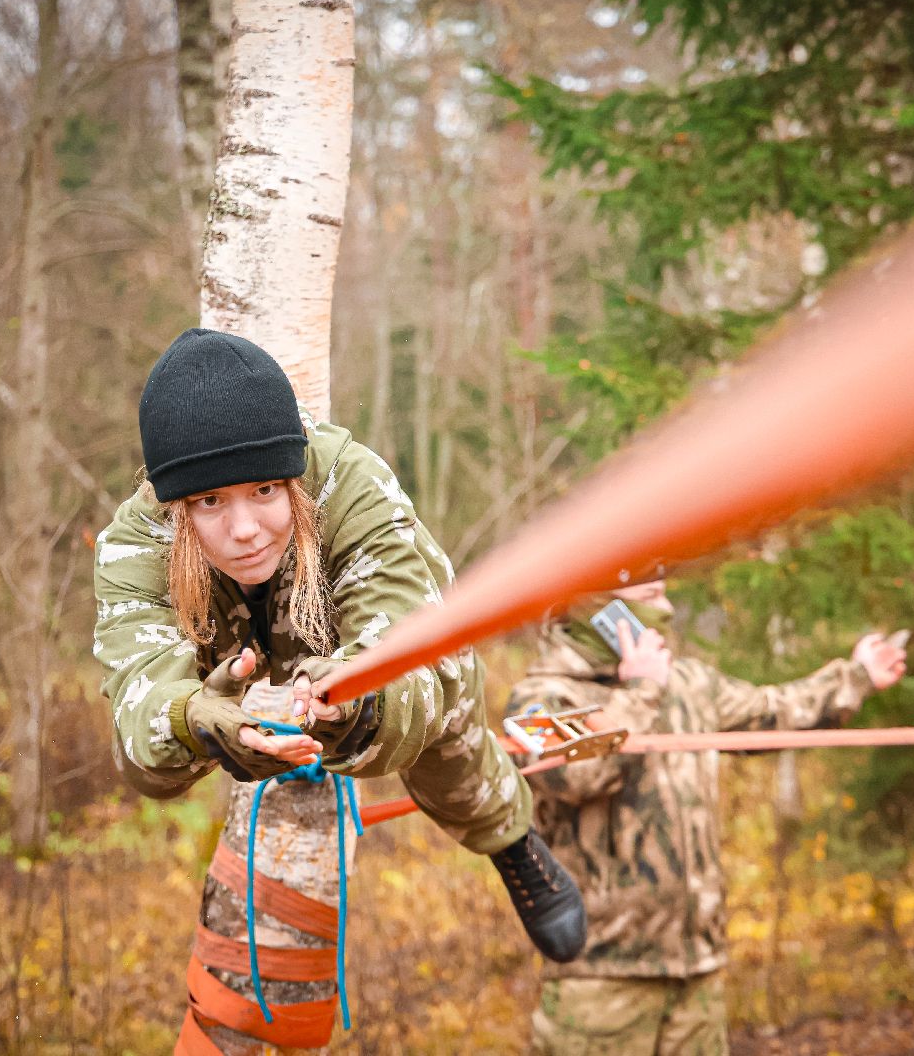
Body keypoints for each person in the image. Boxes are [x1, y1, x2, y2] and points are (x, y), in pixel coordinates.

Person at [93, 327, 586, 962]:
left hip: (344, 634)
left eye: (265, 491)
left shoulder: (351, 484)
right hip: (222, 649)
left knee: (446, 698)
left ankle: (509, 837)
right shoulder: (136, 544)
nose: (244, 530)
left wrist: (359, 698)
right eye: (210, 502)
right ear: (173, 507)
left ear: (292, 480)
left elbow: (409, 640)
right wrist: (199, 719)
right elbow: (139, 710)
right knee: (152, 758)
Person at [507, 578, 907, 1053]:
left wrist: (856, 675)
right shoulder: (542, 699)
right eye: (652, 597)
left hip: (696, 970)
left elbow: (773, 711)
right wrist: (642, 690)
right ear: (601, 609)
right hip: (600, 975)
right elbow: (580, 776)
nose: (669, 608)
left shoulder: (689, 685)